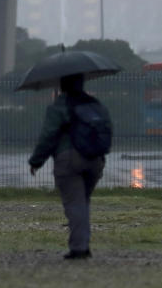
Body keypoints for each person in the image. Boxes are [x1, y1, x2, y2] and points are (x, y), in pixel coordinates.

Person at [28, 73, 110, 260]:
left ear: (62, 85)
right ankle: (84, 243)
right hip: (95, 160)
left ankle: (79, 248)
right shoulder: (96, 105)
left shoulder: (59, 106)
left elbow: (48, 136)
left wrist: (36, 161)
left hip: (69, 159)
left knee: (75, 203)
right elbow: (106, 129)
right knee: (83, 202)